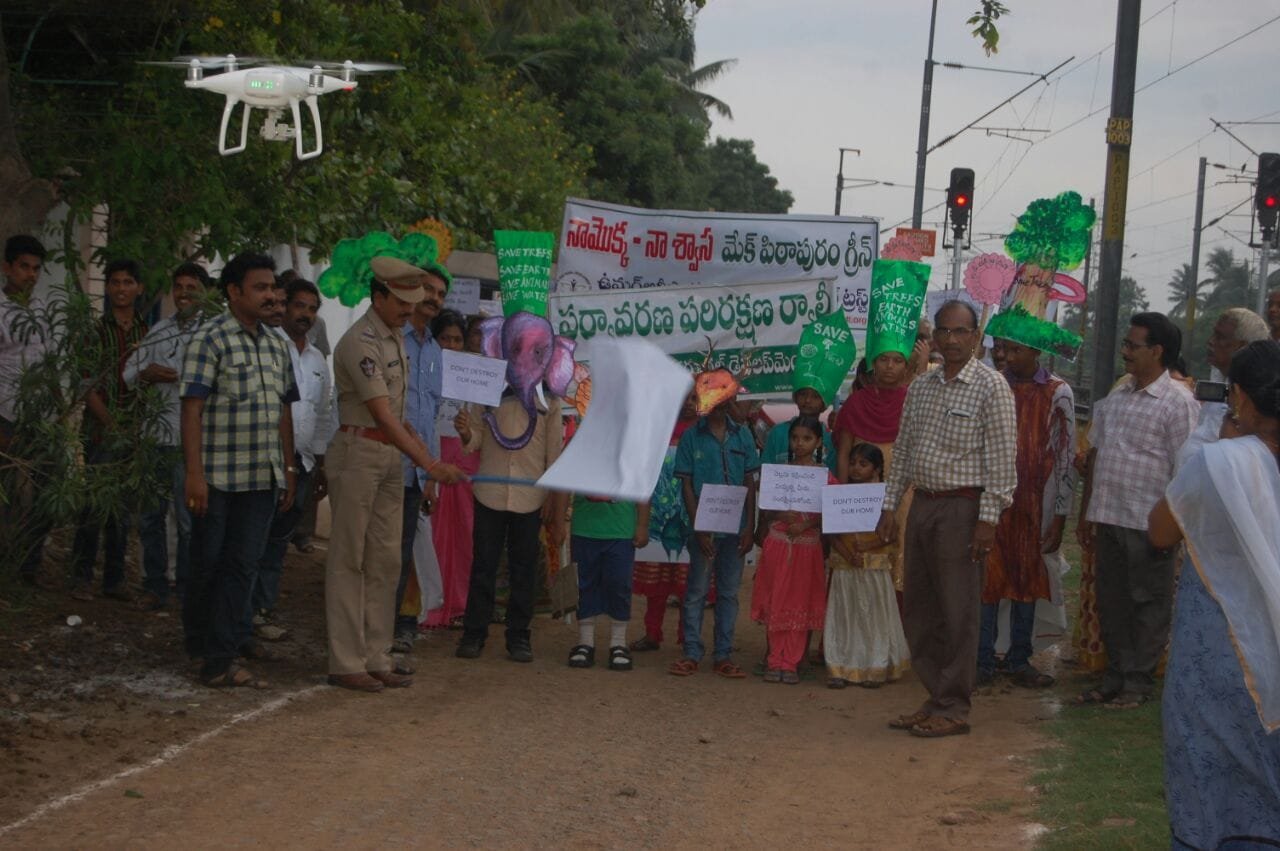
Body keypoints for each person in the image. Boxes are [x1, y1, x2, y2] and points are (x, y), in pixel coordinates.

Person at [1148, 340, 1280, 848]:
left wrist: (1221, 446)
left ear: (1240, 396)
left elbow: (1160, 533)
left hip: (1223, 652)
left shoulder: (1221, 464)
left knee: (1209, 771)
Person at [877, 300, 1017, 738]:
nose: (952, 340)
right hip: (922, 505)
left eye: (961, 332)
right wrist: (888, 505)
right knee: (920, 607)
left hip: (963, 508)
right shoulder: (921, 388)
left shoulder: (992, 388)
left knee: (958, 611)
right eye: (945, 331)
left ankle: (955, 705)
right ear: (933, 337)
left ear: (977, 337)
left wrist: (987, 520)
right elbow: (903, 451)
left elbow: (1002, 462)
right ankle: (935, 696)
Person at [325, 256, 463, 692]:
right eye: (401, 301)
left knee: (386, 561)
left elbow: (403, 420)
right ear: (378, 296)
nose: (410, 308)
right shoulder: (360, 342)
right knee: (351, 559)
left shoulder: (397, 340)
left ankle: (376, 655)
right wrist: (432, 465)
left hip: (391, 459)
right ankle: (346, 660)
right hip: (359, 451)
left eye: (413, 300)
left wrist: (426, 463)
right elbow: (383, 416)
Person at [181, 253, 298, 689]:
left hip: (260, 478)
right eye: (261, 288)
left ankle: (219, 658)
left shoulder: (276, 345)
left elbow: (284, 409)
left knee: (242, 566)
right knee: (207, 564)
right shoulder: (209, 339)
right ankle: (201, 644)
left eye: (273, 288)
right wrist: (194, 474)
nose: (271, 296)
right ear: (234, 292)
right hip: (216, 477)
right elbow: (191, 409)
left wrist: (288, 467)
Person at [1076, 312, 1199, 708]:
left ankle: (1137, 682)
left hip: (1147, 523)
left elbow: (1186, 469)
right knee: (1112, 600)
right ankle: (1115, 675)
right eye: (1126, 344)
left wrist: (1173, 524)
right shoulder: (1118, 395)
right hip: (1109, 515)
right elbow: (1096, 453)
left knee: (1148, 601)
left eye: (1133, 345)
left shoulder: (1177, 402)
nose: (1125, 352)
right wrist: (1086, 511)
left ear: (1157, 351)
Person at [453, 365, 567, 664]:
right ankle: (474, 634)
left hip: (530, 497)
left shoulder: (550, 400)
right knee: (483, 566)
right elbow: (475, 439)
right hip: (488, 493)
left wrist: (554, 504)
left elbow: (554, 453)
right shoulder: (488, 390)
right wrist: (466, 431)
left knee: (524, 569)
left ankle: (518, 636)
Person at [977, 339, 1076, 688]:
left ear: (1036, 351)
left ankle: (1020, 658)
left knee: (1027, 579)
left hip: (1036, 502)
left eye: (1015, 350)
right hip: (993, 499)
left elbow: (1066, 455)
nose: (1005, 356)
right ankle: (982, 659)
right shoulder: (991, 383)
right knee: (988, 579)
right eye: (1001, 349)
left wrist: (1060, 513)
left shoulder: (1057, 391)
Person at [125, 262, 209, 608]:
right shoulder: (160, 330)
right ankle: (154, 586)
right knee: (150, 516)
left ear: (205, 292)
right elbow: (129, 372)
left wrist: (177, 377)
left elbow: (213, 383)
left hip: (189, 441)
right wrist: (147, 373)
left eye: (191, 286)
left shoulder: (211, 333)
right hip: (155, 436)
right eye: (179, 286)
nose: (184, 293)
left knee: (188, 520)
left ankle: (188, 589)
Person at [253, 278, 333, 641]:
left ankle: (262, 611)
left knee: (277, 544)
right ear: (284, 306)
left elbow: (321, 414)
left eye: (312, 309)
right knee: (253, 540)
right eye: (299, 306)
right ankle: (243, 613)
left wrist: (319, 462)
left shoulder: (318, 360)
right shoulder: (268, 347)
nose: (305, 314)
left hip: (301, 465)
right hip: (266, 463)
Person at [668, 383, 760, 679]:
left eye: (725, 397)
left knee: (729, 593)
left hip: (736, 531)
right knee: (696, 591)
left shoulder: (743, 434)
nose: (719, 403)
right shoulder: (691, 438)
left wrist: (750, 527)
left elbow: (749, 482)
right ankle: (692, 652)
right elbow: (686, 486)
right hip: (702, 529)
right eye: (713, 397)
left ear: (731, 399)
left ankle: (724, 654)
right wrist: (698, 528)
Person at [71, 258, 147, 602]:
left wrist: (134, 428)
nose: (120, 288)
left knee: (121, 509)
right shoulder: (95, 332)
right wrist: (112, 424)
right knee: (93, 504)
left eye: (127, 282)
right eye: (114, 282)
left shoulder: (148, 333)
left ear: (138, 288)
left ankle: (114, 580)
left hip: (135, 433)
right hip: (101, 432)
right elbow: (87, 386)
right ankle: (81, 575)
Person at [751, 416, 830, 684]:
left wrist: (807, 522)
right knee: (777, 600)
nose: (800, 443)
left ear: (818, 441)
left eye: (807, 438)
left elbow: (832, 509)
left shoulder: (825, 475)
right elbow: (768, 507)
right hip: (779, 543)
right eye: (795, 437)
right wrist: (784, 514)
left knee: (799, 602)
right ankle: (775, 660)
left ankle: (792, 662)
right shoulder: (779, 472)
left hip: (807, 548)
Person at [394, 265, 449, 653]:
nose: (433, 299)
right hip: (385, 466)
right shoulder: (391, 340)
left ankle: (402, 624)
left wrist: (431, 474)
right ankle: (376, 625)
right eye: (428, 290)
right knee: (381, 554)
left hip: (418, 473)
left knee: (407, 552)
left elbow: (431, 416)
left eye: (440, 294)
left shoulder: (434, 350)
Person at [824, 442, 909, 689]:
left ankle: (875, 666)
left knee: (873, 616)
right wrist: (848, 553)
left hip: (873, 567)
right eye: (852, 463)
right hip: (846, 566)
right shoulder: (839, 495)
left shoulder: (886, 499)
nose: (855, 469)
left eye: (863, 464)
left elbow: (892, 534)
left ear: (877, 468)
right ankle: (840, 665)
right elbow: (831, 532)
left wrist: (867, 547)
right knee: (846, 616)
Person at [0, 235, 52, 584]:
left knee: (47, 492)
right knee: (5, 495)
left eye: (36, 268)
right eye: (24, 267)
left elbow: (49, 361)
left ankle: (29, 566)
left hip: (42, 417)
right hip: (5, 415)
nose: (30, 275)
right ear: (7, 268)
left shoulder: (42, 310)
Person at [629, 391, 697, 652]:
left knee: (687, 584)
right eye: (683, 398)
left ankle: (686, 637)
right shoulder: (656, 430)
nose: (689, 404)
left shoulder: (703, 432)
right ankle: (652, 633)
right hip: (657, 517)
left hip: (689, 517)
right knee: (656, 584)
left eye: (694, 398)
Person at [426, 310, 479, 629]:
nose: (451, 345)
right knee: (432, 530)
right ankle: (430, 604)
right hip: (433, 454)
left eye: (457, 339)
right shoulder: (424, 369)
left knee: (465, 532)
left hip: (466, 455)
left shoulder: (476, 373)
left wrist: (468, 430)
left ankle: (459, 603)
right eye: (445, 338)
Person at [566, 492, 650, 672]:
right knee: (584, 584)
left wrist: (642, 525)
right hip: (583, 528)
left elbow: (642, 486)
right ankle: (585, 642)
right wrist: (558, 520)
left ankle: (618, 643)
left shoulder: (632, 461)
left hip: (621, 530)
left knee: (620, 583)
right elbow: (564, 484)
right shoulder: (579, 461)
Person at [1176, 307, 1268, 469]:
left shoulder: (1256, 405)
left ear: (1242, 347)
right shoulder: (1219, 387)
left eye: (1220, 337)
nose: (1211, 341)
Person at [760, 385, 836, 471]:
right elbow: (765, 472)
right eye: (803, 394)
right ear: (796, 397)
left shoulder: (830, 439)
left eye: (815, 396)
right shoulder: (777, 432)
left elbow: (832, 478)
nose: (807, 400)